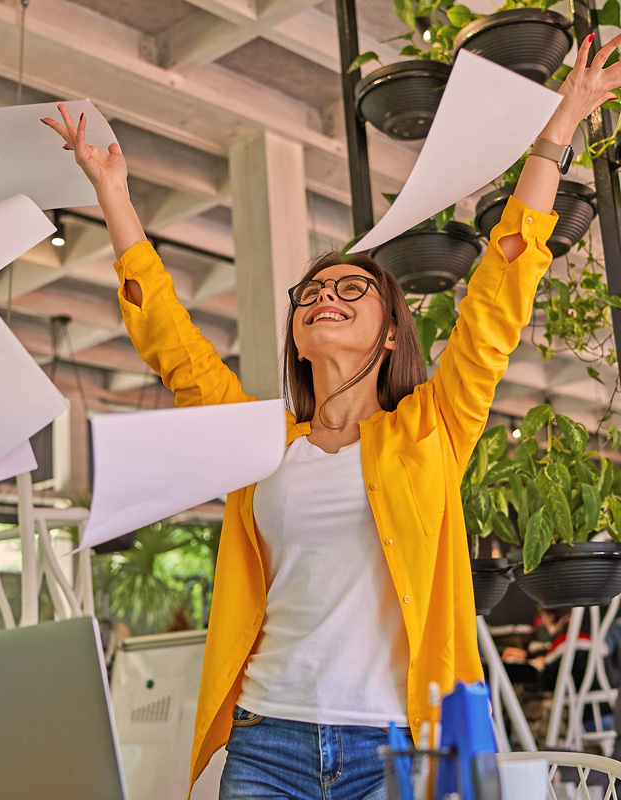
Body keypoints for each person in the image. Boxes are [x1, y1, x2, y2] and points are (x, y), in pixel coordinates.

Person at [43, 33, 621, 800]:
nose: (325, 298)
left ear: (390, 333)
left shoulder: (432, 426)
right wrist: (114, 195)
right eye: (313, 294)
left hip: (397, 749)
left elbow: (500, 293)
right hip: (266, 740)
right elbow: (173, 347)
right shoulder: (260, 441)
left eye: (352, 291)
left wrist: (557, 132)